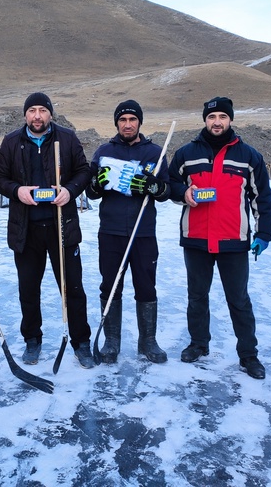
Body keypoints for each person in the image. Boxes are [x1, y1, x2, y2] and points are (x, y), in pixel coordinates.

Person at [168, 96, 271, 379]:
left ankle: (248, 355)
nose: (217, 122)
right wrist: (183, 193)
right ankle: (199, 344)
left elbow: (261, 198)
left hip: (233, 240)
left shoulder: (249, 156)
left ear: (230, 120)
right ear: (205, 120)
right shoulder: (186, 153)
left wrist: (264, 234)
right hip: (197, 238)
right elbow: (170, 183)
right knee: (197, 296)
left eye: (222, 117)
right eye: (212, 117)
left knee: (239, 299)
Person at [0, 92, 95, 369]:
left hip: (61, 227)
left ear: (50, 113)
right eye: (32, 110)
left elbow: (84, 172)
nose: (37, 115)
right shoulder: (12, 141)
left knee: (73, 288)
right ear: (25, 114)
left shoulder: (67, 138)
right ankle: (32, 339)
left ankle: (81, 342)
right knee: (29, 289)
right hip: (25, 230)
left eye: (42, 110)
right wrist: (18, 190)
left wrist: (70, 191)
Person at [86, 100, 171, 363]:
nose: (127, 124)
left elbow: (167, 192)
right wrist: (96, 184)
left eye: (132, 120)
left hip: (143, 231)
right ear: (116, 123)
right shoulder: (103, 151)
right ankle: (112, 342)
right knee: (110, 286)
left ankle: (148, 341)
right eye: (123, 120)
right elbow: (90, 192)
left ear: (139, 123)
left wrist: (154, 186)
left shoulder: (155, 152)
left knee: (146, 285)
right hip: (111, 231)